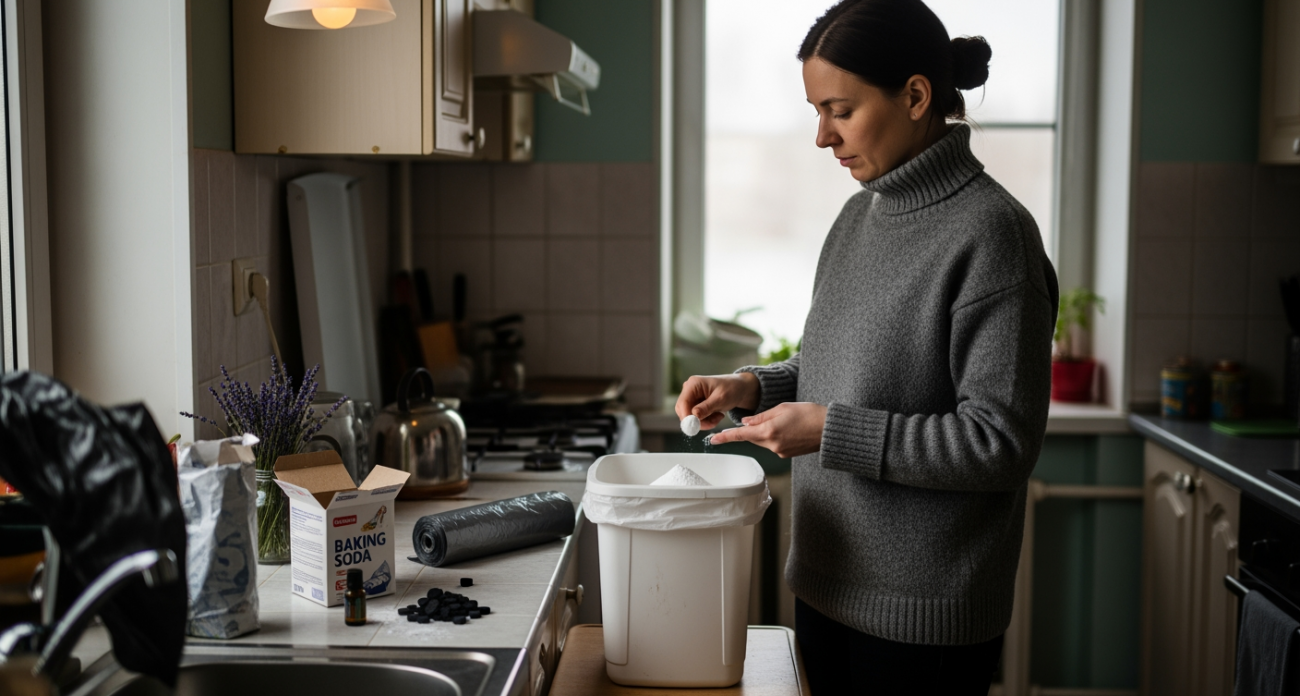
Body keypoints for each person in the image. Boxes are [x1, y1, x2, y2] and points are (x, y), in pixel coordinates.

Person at [675, 0, 1059, 693]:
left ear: (914, 96)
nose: (822, 136)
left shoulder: (994, 235)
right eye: (816, 111)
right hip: (825, 586)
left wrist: (830, 431)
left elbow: (998, 442)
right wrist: (752, 387)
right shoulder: (858, 215)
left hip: (923, 621)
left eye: (840, 111)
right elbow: (836, 366)